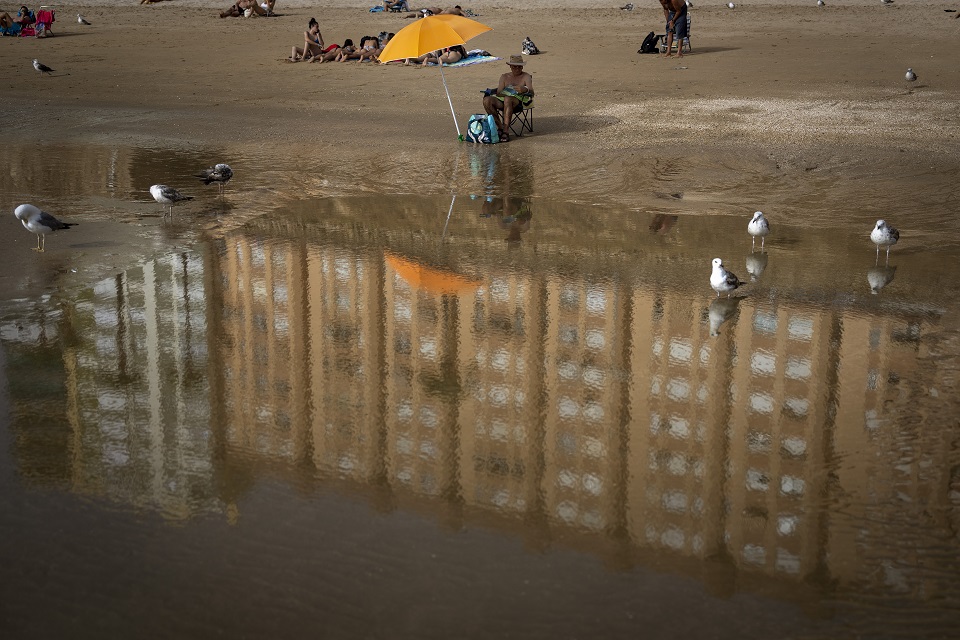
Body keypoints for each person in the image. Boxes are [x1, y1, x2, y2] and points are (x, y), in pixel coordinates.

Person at [482, 54, 534, 142]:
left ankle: (505, 131)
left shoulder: (526, 76)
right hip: (503, 100)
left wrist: (525, 89)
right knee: (487, 100)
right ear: (510, 66)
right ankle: (500, 127)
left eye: (519, 67)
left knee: (508, 99)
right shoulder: (504, 77)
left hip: (518, 102)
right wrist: (505, 91)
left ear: (522, 67)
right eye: (514, 67)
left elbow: (532, 93)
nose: (517, 69)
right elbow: (498, 93)